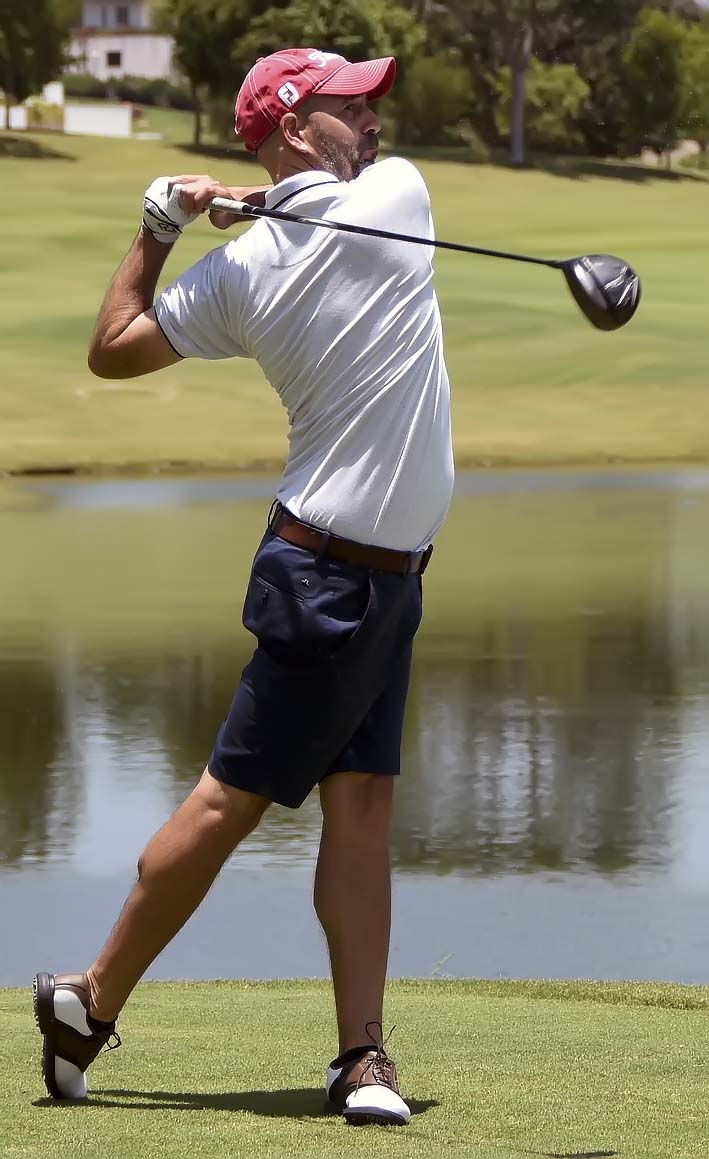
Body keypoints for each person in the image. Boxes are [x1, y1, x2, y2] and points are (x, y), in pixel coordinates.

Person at [33, 47, 454, 1127]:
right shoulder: (399, 196)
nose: (373, 120)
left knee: (363, 805)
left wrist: (164, 225)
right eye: (348, 106)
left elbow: (114, 344)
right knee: (229, 802)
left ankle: (359, 1056)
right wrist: (248, 201)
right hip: (325, 578)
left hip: (381, 580)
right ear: (294, 125)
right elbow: (322, 206)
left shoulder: (241, 272)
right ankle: (90, 1000)